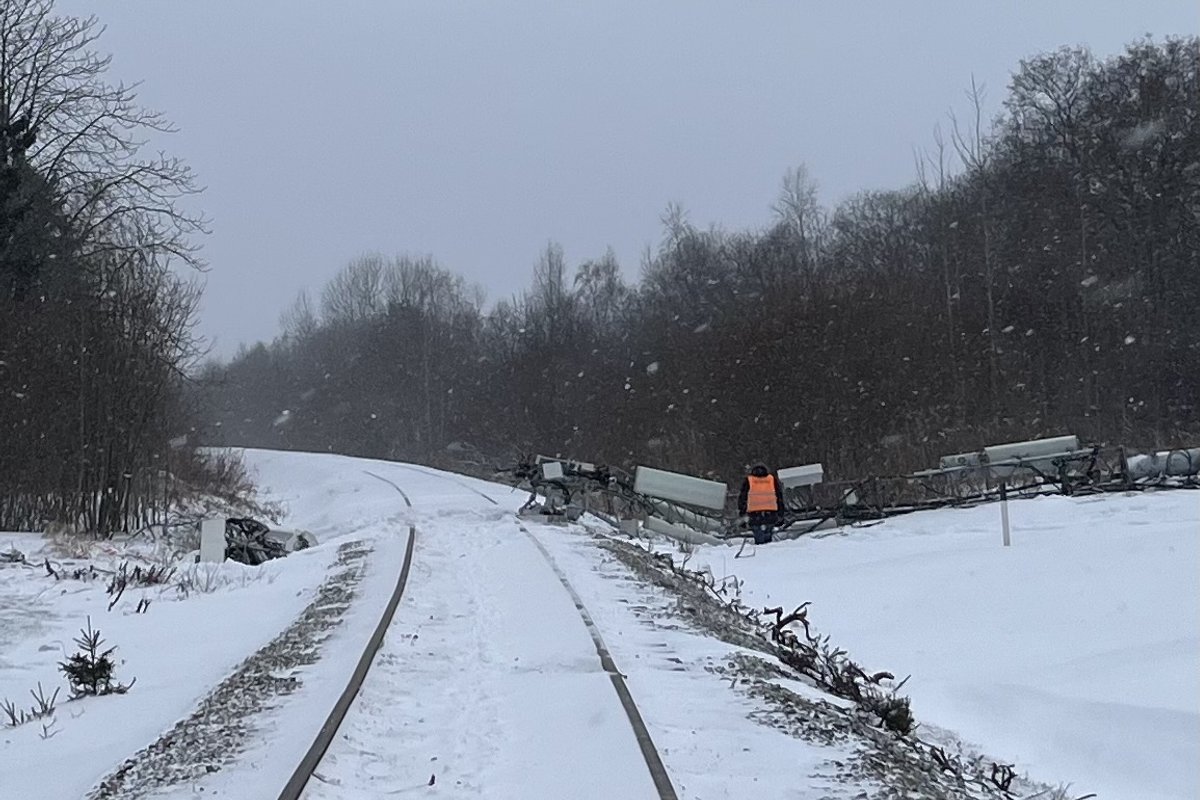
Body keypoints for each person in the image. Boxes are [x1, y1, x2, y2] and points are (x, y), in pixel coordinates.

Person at [737, 462, 785, 544]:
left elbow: (743, 497)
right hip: (770, 513)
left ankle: (760, 547)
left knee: (758, 535)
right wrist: (781, 512)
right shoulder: (772, 479)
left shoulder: (749, 480)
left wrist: (742, 512)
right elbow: (779, 496)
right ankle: (768, 546)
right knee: (768, 535)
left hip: (754, 515)